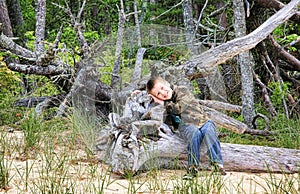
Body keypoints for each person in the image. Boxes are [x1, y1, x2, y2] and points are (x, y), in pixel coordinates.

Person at [145, 76, 226, 179]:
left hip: (202, 120)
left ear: (166, 83)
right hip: (185, 125)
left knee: (209, 130)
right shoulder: (164, 101)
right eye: (158, 94)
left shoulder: (182, 90)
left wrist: (163, 103)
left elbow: (179, 109)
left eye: (162, 88)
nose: (163, 93)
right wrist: (141, 93)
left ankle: (217, 165)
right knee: (194, 133)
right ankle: (193, 167)